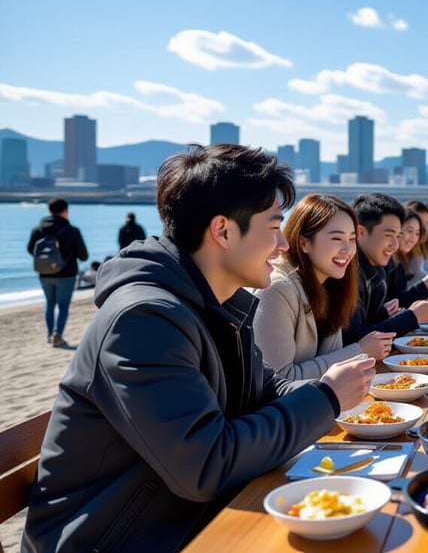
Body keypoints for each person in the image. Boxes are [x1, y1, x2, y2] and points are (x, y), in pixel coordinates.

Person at [22, 144, 376, 552]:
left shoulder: (217, 307)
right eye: (273, 227)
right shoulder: (143, 321)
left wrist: (331, 392)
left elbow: (265, 391)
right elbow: (206, 465)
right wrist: (326, 398)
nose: (282, 244)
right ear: (223, 231)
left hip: (189, 520)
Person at [254, 194, 395, 380]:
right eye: (336, 238)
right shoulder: (276, 290)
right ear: (304, 243)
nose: (347, 249)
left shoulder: (331, 284)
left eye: (352, 239)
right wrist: (359, 351)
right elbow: (278, 378)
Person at [343, 193, 428, 343]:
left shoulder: (378, 268)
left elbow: (368, 324)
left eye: (398, 236)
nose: (395, 245)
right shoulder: (346, 273)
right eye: (389, 235)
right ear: (360, 232)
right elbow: (354, 338)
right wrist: (411, 317)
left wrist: (384, 314)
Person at [26, 197, 89, 348]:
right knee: (63, 306)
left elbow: (30, 249)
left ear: (49, 210)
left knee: (49, 304)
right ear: (65, 211)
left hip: (44, 273)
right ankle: (57, 334)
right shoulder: (72, 230)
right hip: (66, 274)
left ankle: (49, 335)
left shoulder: (37, 230)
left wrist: (46, 260)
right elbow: (83, 255)